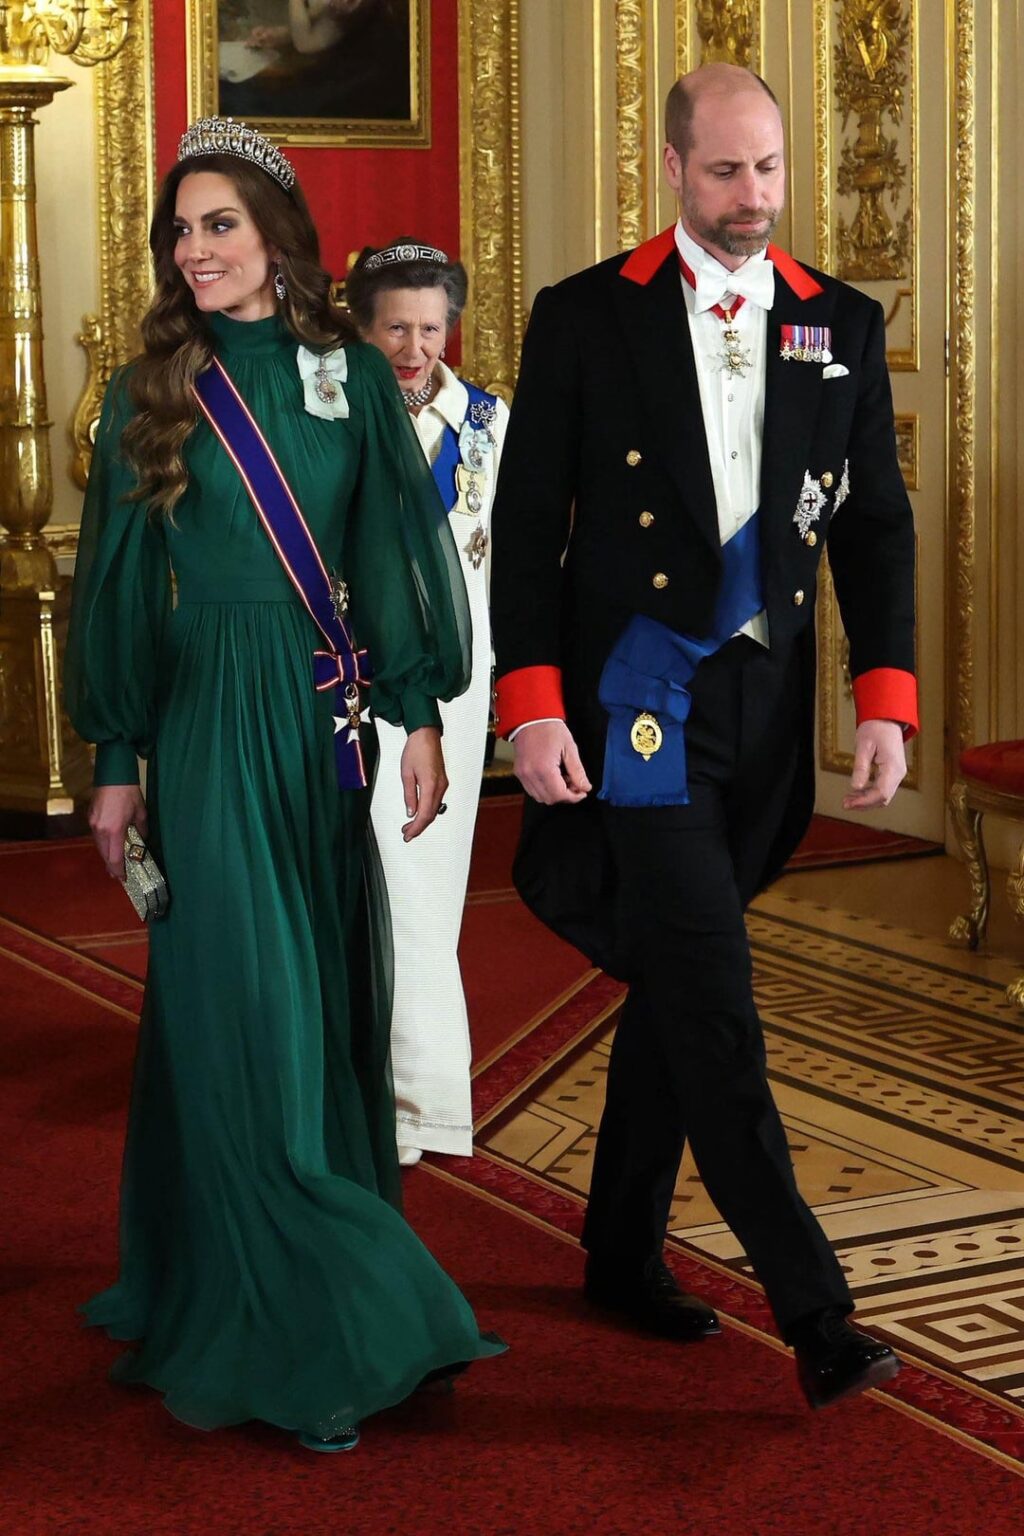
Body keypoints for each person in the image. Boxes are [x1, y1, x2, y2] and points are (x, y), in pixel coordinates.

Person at [66, 116, 503, 1453]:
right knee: (239, 1003)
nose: (195, 251)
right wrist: (118, 756)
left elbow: (393, 539)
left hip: (321, 731)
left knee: (311, 1005)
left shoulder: (345, 373)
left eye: (222, 226)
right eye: (181, 230)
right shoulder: (151, 386)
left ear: (275, 238)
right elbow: (125, 582)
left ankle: (253, 1275)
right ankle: (314, 1317)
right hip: (202, 725)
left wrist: (423, 715)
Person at [490, 64, 917, 1411]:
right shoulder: (583, 319)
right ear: (672, 166)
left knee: (681, 977)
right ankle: (815, 1308)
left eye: (770, 169)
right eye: (726, 170)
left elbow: (875, 525)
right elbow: (527, 533)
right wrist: (534, 703)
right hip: (638, 706)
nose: (753, 198)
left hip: (763, 714)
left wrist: (886, 697)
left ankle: (618, 1250)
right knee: (718, 1002)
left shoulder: (837, 324)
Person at [346, 240, 509, 1166]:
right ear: (362, 330)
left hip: (456, 683)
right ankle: (375, 1098)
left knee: (429, 886)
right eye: (396, 328)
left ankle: (427, 1103)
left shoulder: (489, 421)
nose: (415, 347)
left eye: (431, 327)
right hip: (355, 678)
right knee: (367, 875)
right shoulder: (330, 414)